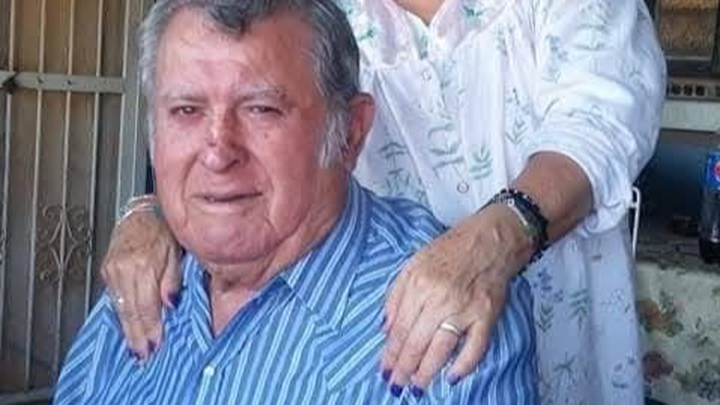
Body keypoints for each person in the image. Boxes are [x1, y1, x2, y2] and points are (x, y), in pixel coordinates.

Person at [101, 0, 666, 403]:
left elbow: (597, 129)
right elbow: (236, 102)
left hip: (545, 321)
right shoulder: (332, 11)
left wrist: (488, 247)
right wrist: (155, 210)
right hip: (369, 318)